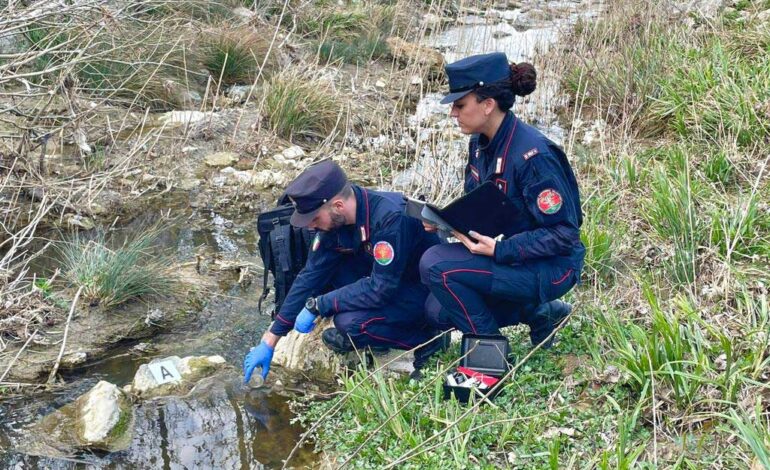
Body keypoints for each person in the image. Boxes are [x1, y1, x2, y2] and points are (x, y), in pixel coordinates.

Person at [419, 52, 585, 347]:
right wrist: (446, 223)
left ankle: (489, 350)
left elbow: (564, 235)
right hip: (511, 256)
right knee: (437, 311)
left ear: (487, 105)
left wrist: (501, 249)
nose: (453, 114)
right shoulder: (480, 145)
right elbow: (485, 206)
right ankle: (540, 314)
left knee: (435, 263)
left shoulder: (534, 157)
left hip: (552, 267)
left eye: (460, 105)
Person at [244, 160, 445, 384]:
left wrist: (319, 304)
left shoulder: (390, 218)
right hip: (389, 280)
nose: (310, 226)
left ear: (338, 206)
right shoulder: (337, 221)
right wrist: (271, 338)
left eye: (314, 218)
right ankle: (382, 331)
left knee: (350, 324)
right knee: (331, 277)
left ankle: (429, 341)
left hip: (423, 291)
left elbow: (380, 290)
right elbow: (311, 276)